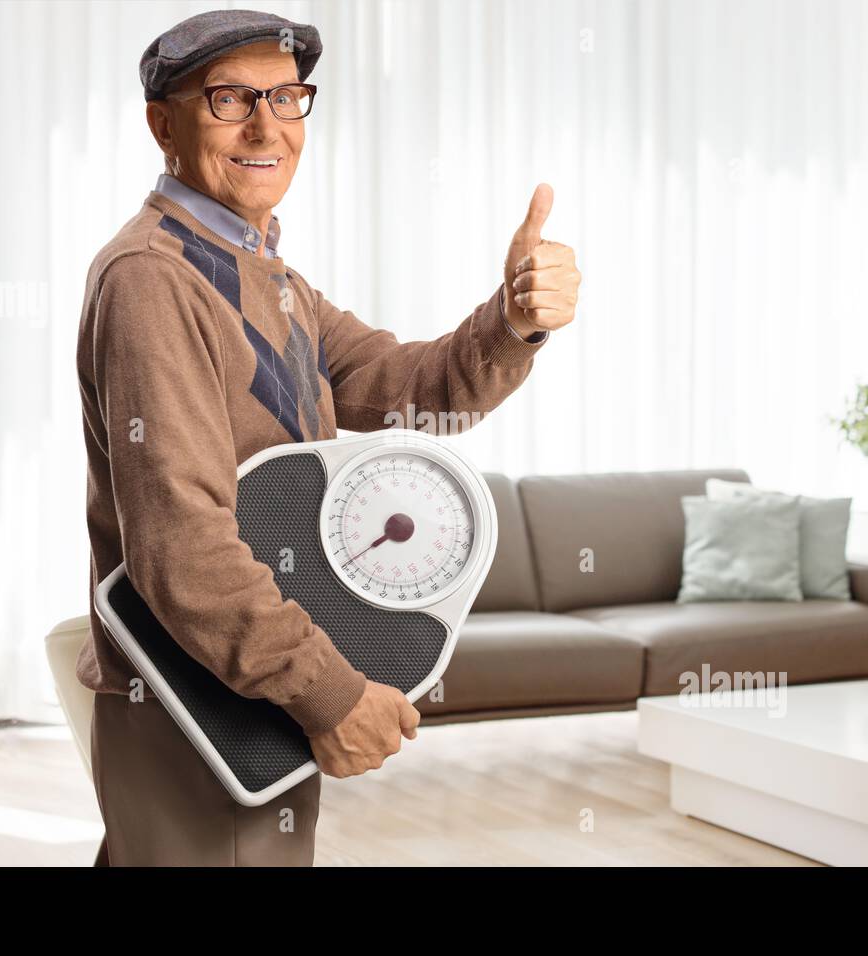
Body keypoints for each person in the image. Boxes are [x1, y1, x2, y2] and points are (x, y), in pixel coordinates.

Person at [75, 9, 581, 866]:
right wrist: (331, 693)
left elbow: (413, 395)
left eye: (286, 97)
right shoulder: (153, 281)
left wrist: (514, 320)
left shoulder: (268, 276)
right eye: (230, 98)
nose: (267, 125)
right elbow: (183, 548)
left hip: (251, 695)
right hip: (196, 703)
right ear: (163, 123)